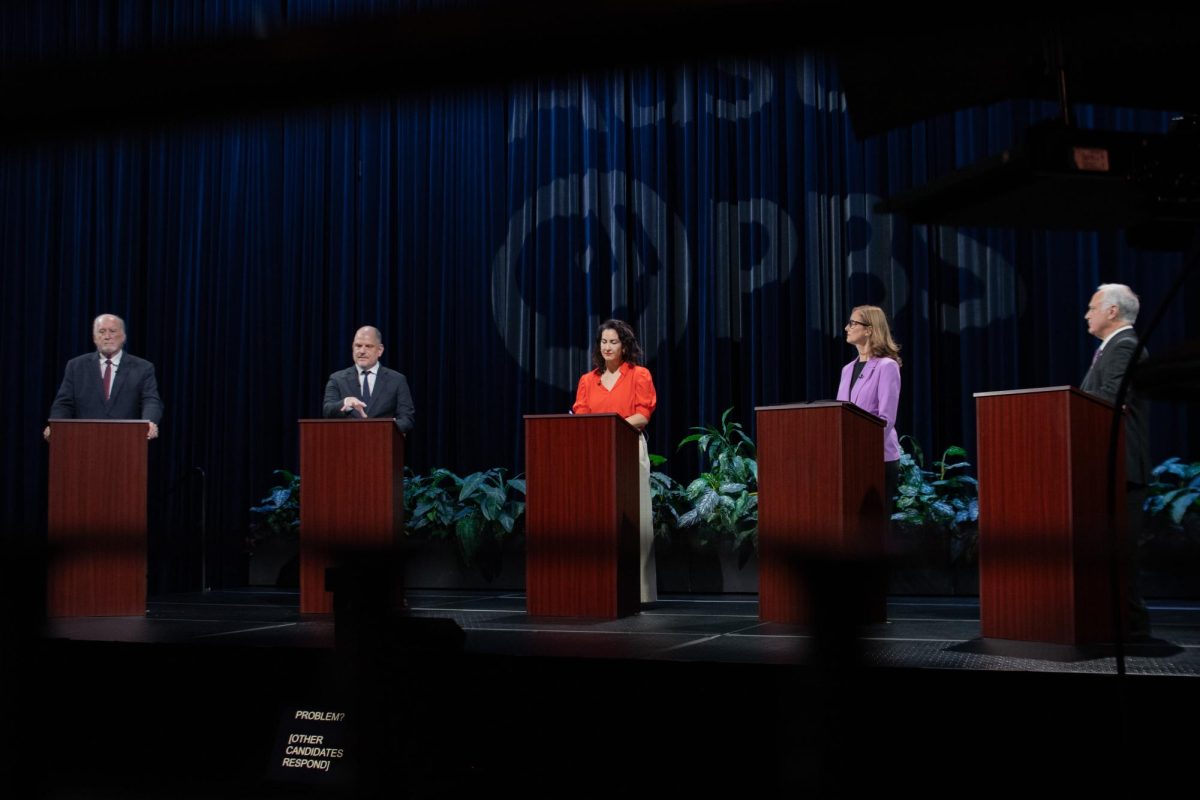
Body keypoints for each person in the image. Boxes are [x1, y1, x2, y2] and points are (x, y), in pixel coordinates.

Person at [1081, 283, 1152, 638]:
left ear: (1112, 311)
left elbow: (1110, 398)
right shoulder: (1111, 348)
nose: (1086, 314)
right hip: (1105, 466)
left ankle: (1134, 631)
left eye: (1092, 307)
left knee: (1121, 555)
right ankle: (1116, 624)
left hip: (1122, 468)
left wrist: (1072, 405)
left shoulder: (1125, 346)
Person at [572, 319, 658, 603]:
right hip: (595, 453)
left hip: (628, 448)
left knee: (635, 520)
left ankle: (639, 592)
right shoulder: (588, 380)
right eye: (603, 342)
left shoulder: (639, 375)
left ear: (624, 346)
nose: (607, 347)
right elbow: (581, 416)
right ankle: (597, 586)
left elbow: (642, 416)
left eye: (613, 342)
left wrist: (610, 426)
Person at [45, 313, 163, 441]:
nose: (107, 336)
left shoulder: (143, 367)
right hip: (84, 440)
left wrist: (150, 422)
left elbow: (151, 400)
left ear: (123, 337)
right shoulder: (76, 366)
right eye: (101, 332)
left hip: (127, 441)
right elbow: (64, 404)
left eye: (112, 331)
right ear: (95, 338)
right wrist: (56, 425)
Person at [836, 305, 902, 509]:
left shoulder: (887, 366)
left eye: (853, 323)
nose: (847, 328)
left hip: (877, 457)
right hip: (849, 457)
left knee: (875, 525)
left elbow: (886, 418)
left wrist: (862, 450)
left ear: (869, 329)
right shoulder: (847, 369)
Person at [323, 326, 415, 433]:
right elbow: (327, 411)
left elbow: (407, 418)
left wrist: (386, 428)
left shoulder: (397, 380)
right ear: (353, 348)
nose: (362, 351)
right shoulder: (337, 379)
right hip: (346, 442)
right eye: (358, 346)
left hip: (382, 444)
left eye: (368, 346)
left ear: (380, 350)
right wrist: (345, 403)